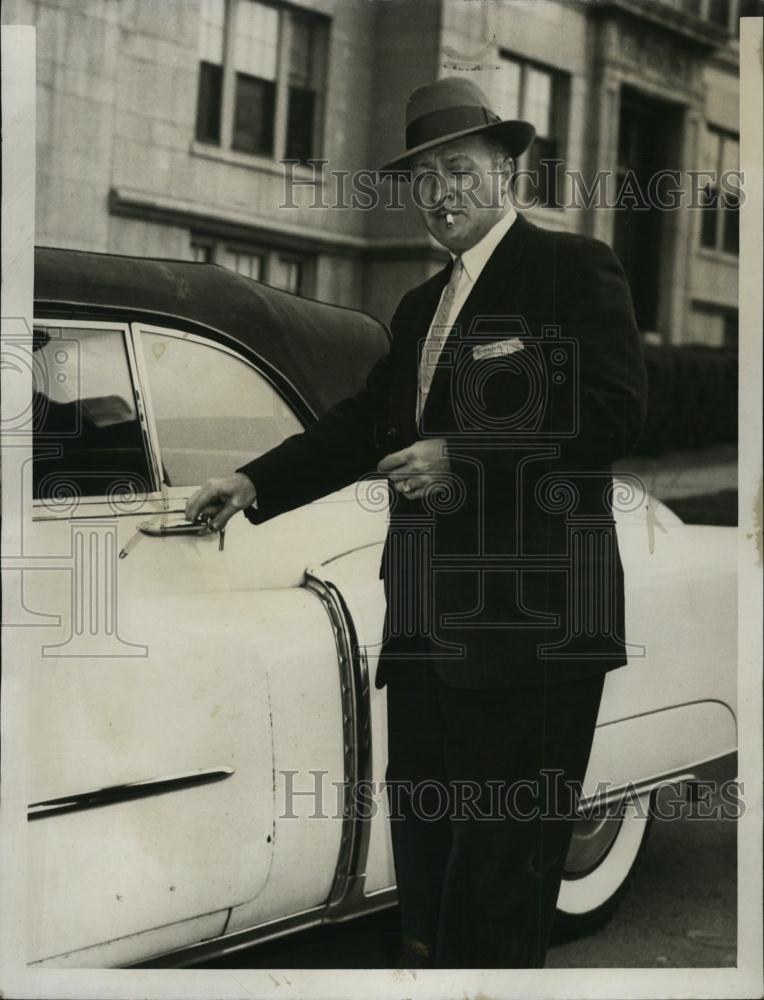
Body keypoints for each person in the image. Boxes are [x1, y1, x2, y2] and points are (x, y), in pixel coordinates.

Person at [186, 76, 648, 968]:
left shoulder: (572, 269)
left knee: (502, 889)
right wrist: (252, 480)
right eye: (424, 176)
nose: (441, 192)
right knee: (431, 889)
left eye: (460, 168)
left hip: (536, 639)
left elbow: (615, 413)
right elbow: (364, 423)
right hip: (431, 638)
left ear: (508, 168)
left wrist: (464, 453)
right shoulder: (418, 307)